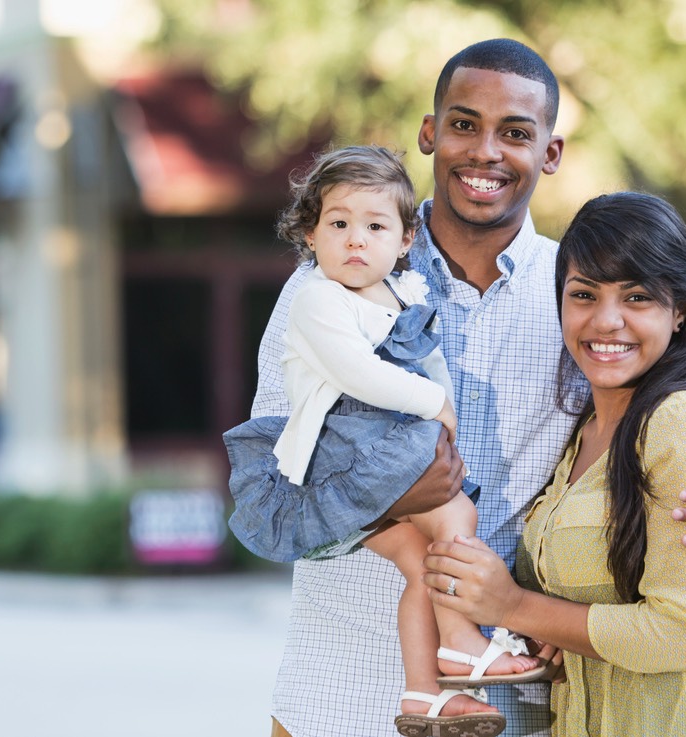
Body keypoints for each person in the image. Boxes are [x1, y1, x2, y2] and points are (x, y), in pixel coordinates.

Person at [248, 39, 686, 737]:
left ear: (551, 153)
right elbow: (269, 481)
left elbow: (683, 435)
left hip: (518, 708)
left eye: (515, 133)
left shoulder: (579, 297)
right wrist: (379, 496)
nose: (486, 152)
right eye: (463, 124)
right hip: (337, 701)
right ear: (429, 134)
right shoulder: (331, 284)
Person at [424, 191, 686, 735]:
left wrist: (511, 605)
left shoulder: (681, 420)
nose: (606, 321)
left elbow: (683, 633)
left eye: (637, 297)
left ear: (680, 311)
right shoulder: (584, 431)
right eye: (584, 294)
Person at [224, 145, 547, 737]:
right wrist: (438, 410)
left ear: (404, 239)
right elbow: (357, 373)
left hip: (376, 452)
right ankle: (460, 639)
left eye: (374, 227)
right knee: (457, 512)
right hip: (334, 461)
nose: (354, 240)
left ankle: (424, 692)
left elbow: (429, 363)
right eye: (338, 224)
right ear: (309, 234)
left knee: (421, 563)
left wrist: (441, 403)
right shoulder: (316, 296)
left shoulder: (403, 295)